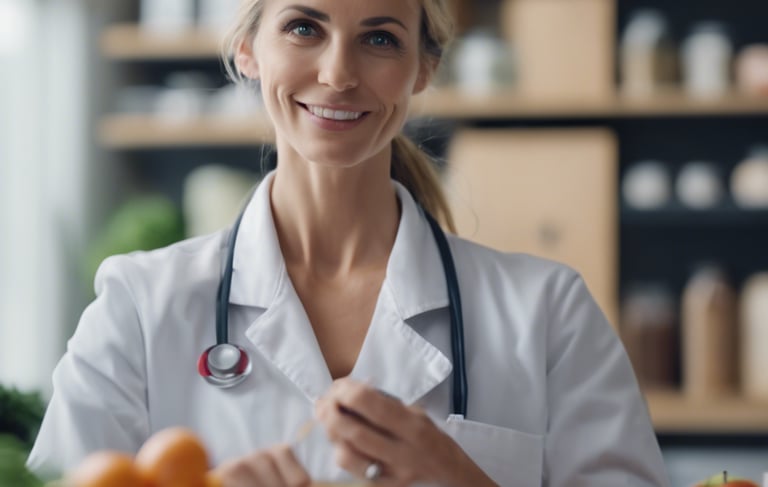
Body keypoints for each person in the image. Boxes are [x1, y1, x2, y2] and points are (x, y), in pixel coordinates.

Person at [28, 0, 671, 485]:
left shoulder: (548, 311)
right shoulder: (139, 306)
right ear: (249, 47)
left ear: (424, 69)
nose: (338, 74)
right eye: (305, 27)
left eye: (380, 38)